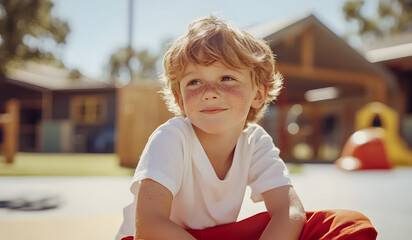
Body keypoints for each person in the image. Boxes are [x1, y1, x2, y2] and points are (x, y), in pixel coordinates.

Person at [116, 15, 377, 240]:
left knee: (347, 223)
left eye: (227, 78)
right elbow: (149, 226)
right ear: (179, 99)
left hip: (214, 235)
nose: (210, 93)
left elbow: (290, 210)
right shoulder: (171, 138)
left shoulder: (255, 141)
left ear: (258, 95)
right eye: (195, 82)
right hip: (154, 237)